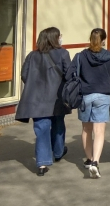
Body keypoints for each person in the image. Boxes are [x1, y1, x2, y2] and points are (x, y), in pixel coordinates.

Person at [15, 27, 71, 176]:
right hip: (57, 98)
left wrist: (35, 86)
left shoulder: (32, 56)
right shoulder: (63, 54)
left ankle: (42, 163)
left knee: (41, 130)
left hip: (36, 100)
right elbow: (69, 74)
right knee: (58, 125)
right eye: (60, 36)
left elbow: (24, 75)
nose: (61, 38)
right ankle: (58, 152)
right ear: (55, 38)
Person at [66, 28, 110, 178]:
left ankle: (88, 159)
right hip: (103, 95)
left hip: (85, 95)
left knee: (86, 129)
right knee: (99, 131)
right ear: (103, 40)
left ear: (90, 38)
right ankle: (95, 162)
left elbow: (70, 74)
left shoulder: (80, 56)